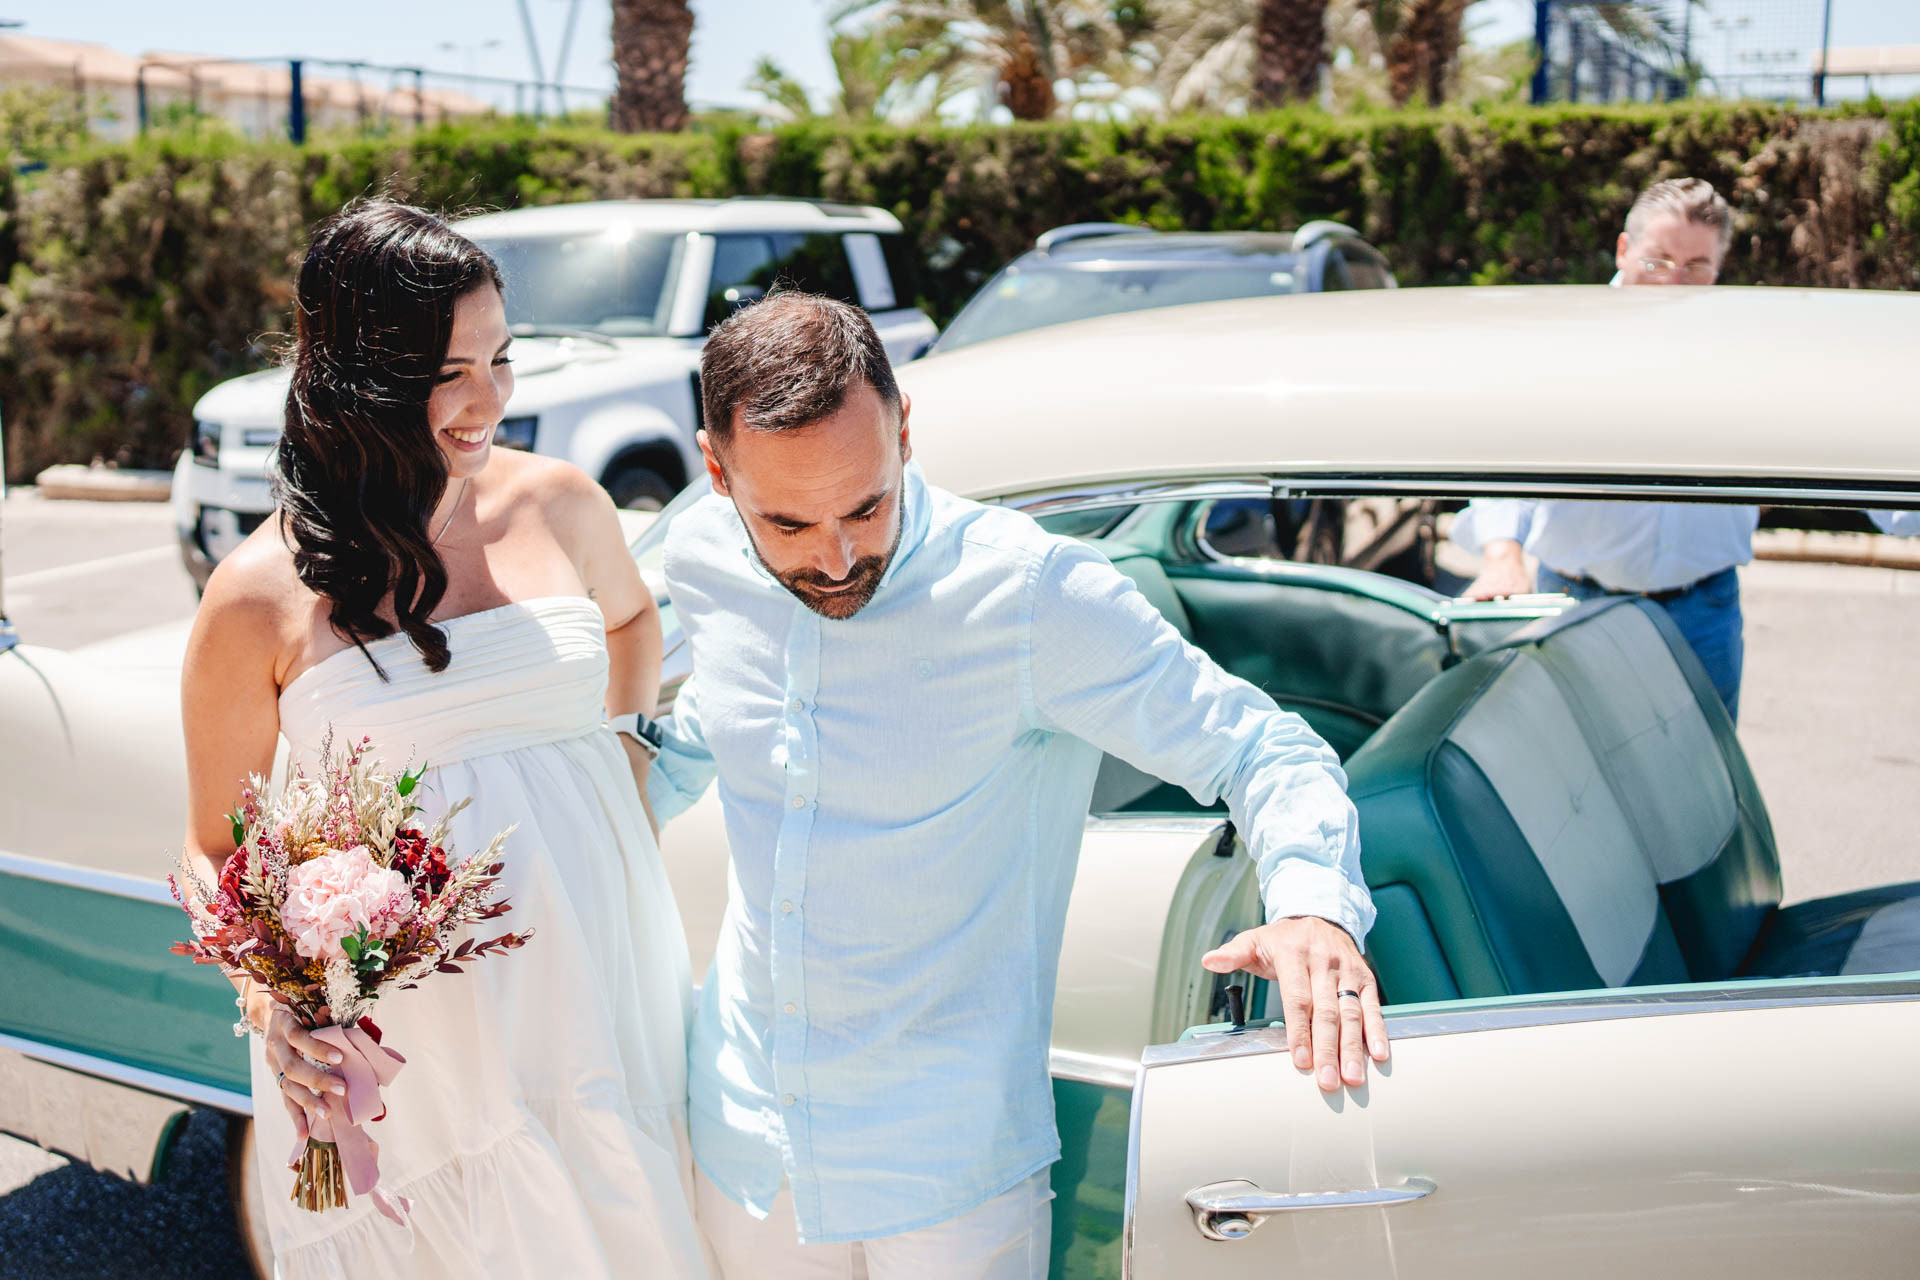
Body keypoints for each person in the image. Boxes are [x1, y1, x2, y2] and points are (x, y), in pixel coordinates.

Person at [648, 292, 1387, 1279]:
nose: (834, 558)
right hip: (739, 1139)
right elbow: (707, 724)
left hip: (949, 1172)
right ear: (715, 468)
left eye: (866, 504)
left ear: (904, 429)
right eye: (786, 521)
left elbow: (1264, 747)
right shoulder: (697, 549)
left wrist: (1313, 908)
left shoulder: (1033, 596)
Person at [179, 202, 708, 1278]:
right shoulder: (257, 595)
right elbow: (211, 854)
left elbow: (633, 618)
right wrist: (271, 998)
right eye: (449, 371)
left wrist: (628, 756)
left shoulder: (560, 502)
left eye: (503, 359)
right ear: (356, 376)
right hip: (414, 1057)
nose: (490, 401)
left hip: (601, 986)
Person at [1455, 177, 1755, 719]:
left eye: (1696, 267)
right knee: (1575, 780)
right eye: (1658, 261)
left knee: (1706, 786)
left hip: (1705, 611)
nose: (1674, 283)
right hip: (1576, 604)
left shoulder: (1746, 349)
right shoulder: (1563, 340)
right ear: (1623, 249)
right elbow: (1508, 449)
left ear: (1720, 266)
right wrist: (1503, 555)